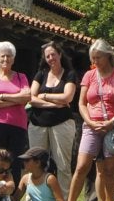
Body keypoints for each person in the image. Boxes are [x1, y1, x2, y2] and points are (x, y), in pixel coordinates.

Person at [70, 38, 114, 201]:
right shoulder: (89, 76)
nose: (95, 61)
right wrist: (89, 121)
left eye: (98, 57)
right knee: (82, 166)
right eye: (93, 58)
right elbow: (81, 103)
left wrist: (113, 121)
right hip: (91, 125)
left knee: (109, 170)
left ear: (107, 56)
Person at [27, 40, 79, 192]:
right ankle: (35, 196)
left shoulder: (69, 74)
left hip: (62, 124)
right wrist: (54, 104)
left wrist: (43, 96)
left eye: (53, 54)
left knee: (63, 164)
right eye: (47, 56)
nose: (51, 58)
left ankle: (64, 199)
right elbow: (31, 97)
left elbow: (67, 98)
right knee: (35, 163)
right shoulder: (41, 74)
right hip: (37, 124)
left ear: (60, 55)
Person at [0, 41, 31, 162]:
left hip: (18, 125)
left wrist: (2, 96)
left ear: (13, 59)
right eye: (2, 56)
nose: (5, 59)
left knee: (15, 164)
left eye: (9, 56)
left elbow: (27, 97)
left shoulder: (21, 77)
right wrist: (16, 100)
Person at [17, 147, 82, 201]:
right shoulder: (25, 179)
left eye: (27, 160)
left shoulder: (50, 179)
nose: (24, 163)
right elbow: (15, 199)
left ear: (37, 163)